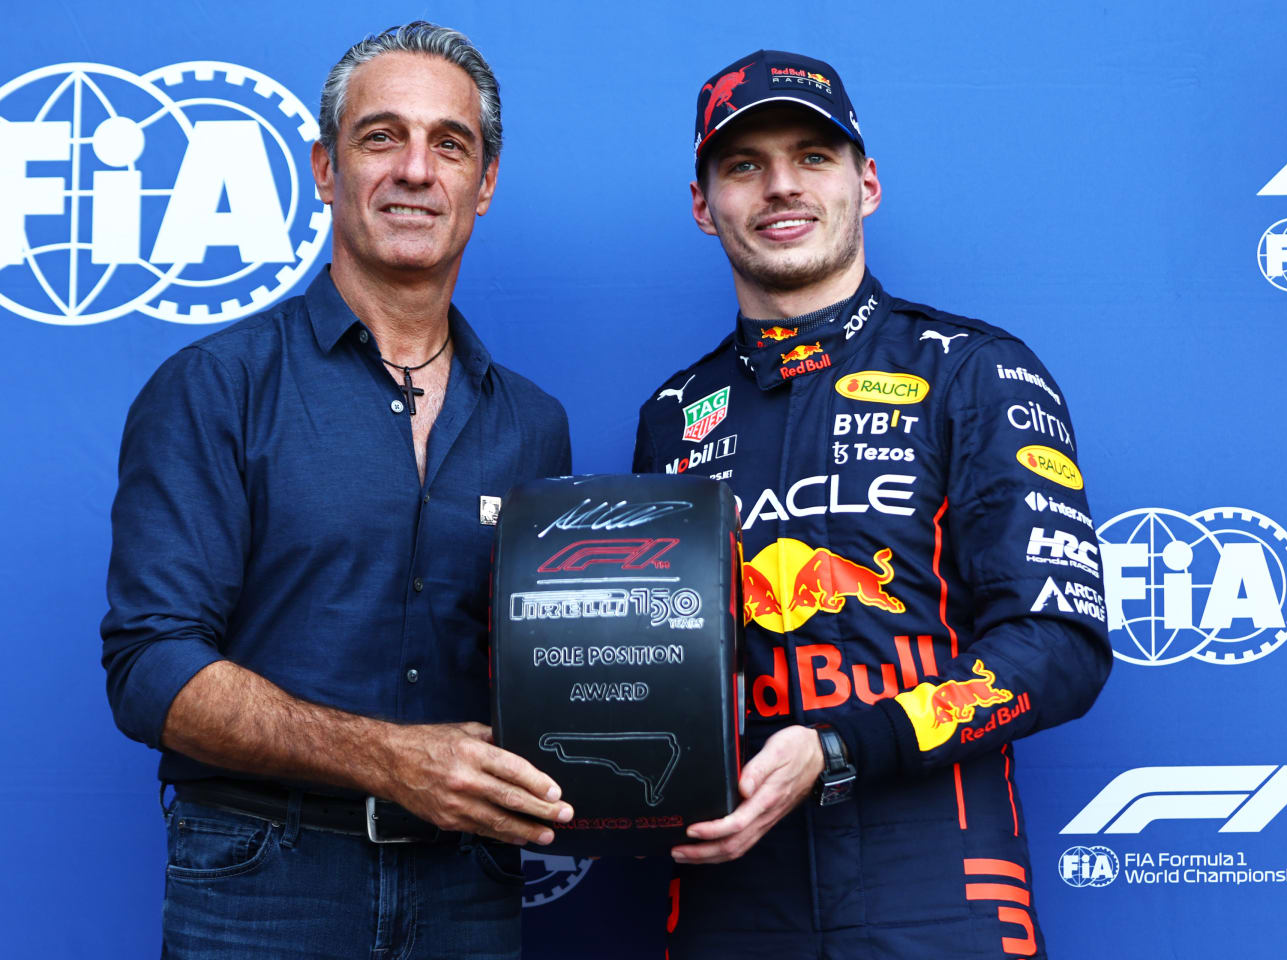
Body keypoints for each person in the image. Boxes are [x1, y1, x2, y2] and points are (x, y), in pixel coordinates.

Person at [101, 21, 572, 959]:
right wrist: (391, 759)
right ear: (325, 168)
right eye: (380, 136)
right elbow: (149, 670)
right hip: (260, 879)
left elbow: (556, 665)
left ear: (482, 185)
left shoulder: (532, 424)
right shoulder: (216, 386)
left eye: (450, 144)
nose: (415, 170)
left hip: (468, 886)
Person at [632, 50, 1112, 959]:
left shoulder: (971, 369)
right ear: (705, 205)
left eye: (813, 156)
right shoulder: (672, 418)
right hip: (734, 880)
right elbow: (658, 660)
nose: (781, 187)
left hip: (937, 874)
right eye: (744, 166)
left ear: (868, 182)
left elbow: (1061, 647)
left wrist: (845, 745)